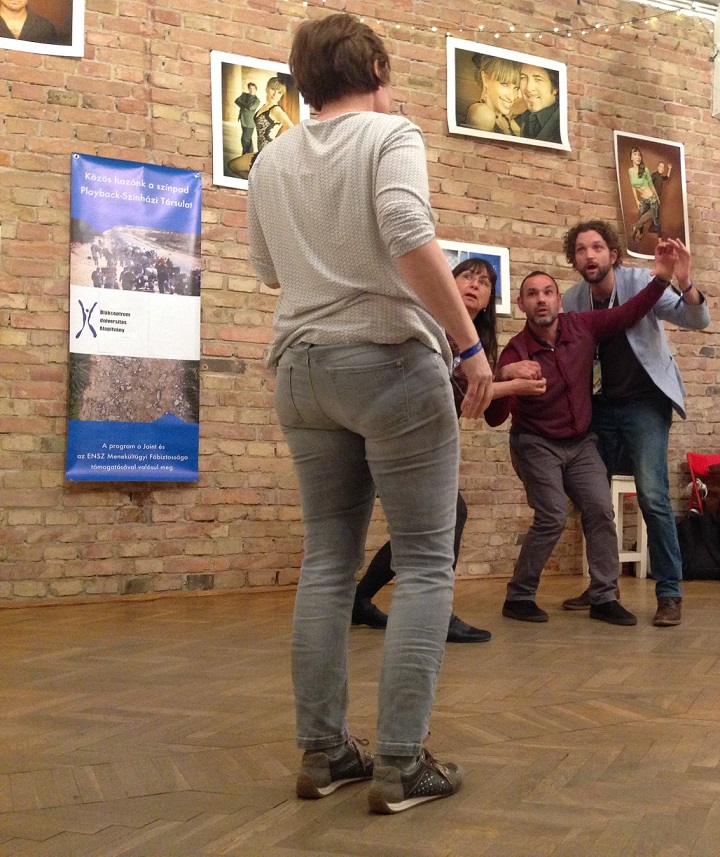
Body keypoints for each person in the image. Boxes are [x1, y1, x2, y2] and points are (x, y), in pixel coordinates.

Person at [246, 13, 493, 815]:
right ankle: (399, 764)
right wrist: (468, 346)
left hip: (301, 370)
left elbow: (266, 268)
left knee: (326, 561)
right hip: (387, 362)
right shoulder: (391, 135)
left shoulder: (269, 159)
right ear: (378, 70)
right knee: (424, 561)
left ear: (304, 82)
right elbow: (408, 232)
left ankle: (324, 753)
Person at [485, 240, 685, 626]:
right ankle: (519, 595)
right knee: (553, 515)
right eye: (532, 294)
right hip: (535, 444)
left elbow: (629, 312)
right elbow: (494, 418)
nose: (541, 300)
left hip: (580, 444)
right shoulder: (515, 352)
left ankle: (604, 596)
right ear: (521, 304)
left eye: (547, 292)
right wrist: (506, 376)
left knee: (600, 510)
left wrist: (661, 279)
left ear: (560, 300)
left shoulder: (582, 327)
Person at [352, 257, 546, 643]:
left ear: (489, 300)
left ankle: (359, 600)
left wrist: (503, 375)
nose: (474, 285)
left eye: (484, 282)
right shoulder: (430, 323)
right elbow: (451, 392)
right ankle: (433, 613)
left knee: (428, 526)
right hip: (397, 435)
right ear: (448, 283)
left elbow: (483, 409)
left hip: (419, 441)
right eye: (466, 277)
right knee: (447, 517)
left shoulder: (474, 342)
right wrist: (512, 385)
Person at [560, 221, 709, 627]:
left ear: (612, 254)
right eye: (580, 250)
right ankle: (602, 586)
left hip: (645, 404)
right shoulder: (572, 299)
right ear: (574, 259)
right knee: (593, 499)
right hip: (599, 407)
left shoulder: (643, 281)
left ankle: (669, 592)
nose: (589, 255)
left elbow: (697, 319)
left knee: (653, 497)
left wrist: (684, 280)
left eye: (596, 247)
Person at [229, 77, 294, 178]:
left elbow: (294, 131)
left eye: (279, 92)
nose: (275, 94)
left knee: (233, 165)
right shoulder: (264, 106)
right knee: (233, 165)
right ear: (267, 88)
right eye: (273, 89)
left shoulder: (277, 110)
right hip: (261, 153)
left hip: (269, 155)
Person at [464, 54, 521, 137]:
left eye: (516, 88)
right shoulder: (482, 113)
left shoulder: (504, 116)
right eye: (504, 84)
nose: (512, 97)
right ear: (485, 78)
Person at [516, 64, 560, 143]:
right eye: (523, 78)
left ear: (555, 87)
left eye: (538, 79)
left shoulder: (563, 124)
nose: (529, 88)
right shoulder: (522, 118)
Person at [627, 147, 660, 243]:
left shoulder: (645, 170)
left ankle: (635, 227)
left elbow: (651, 185)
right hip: (643, 200)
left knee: (652, 216)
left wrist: (657, 197)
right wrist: (636, 200)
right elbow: (633, 186)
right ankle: (640, 233)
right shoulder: (630, 171)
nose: (638, 157)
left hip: (652, 198)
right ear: (631, 158)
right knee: (640, 216)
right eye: (635, 154)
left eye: (639, 155)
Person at [235, 82, 261, 156]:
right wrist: (245, 105)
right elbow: (237, 101)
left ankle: (244, 153)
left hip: (250, 122)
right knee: (248, 139)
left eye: (253, 89)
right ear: (248, 89)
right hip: (242, 119)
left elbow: (251, 107)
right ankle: (250, 154)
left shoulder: (257, 100)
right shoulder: (244, 95)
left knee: (244, 139)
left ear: (256, 90)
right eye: (250, 88)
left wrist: (242, 104)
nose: (252, 90)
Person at [650, 161, 672, 233]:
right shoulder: (654, 175)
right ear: (658, 167)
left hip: (658, 197)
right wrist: (653, 196)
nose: (662, 169)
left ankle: (652, 228)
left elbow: (667, 177)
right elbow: (649, 185)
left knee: (656, 213)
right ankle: (641, 226)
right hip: (653, 197)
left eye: (663, 167)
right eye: (660, 167)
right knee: (654, 213)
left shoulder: (661, 177)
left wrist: (669, 169)